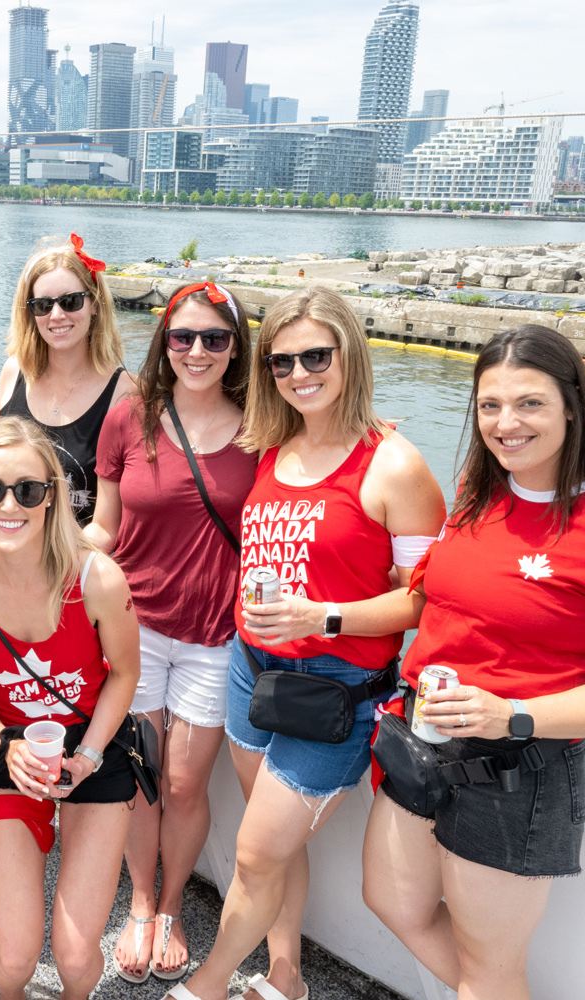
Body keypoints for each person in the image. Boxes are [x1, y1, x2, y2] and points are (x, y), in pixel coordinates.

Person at [362, 324, 585, 1000]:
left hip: (516, 769)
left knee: (489, 970)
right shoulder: (478, 498)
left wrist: (513, 713)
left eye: (530, 403)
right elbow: (434, 598)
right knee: (391, 900)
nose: (506, 424)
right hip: (422, 739)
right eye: (490, 405)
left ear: (572, 406)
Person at [171, 287, 446, 1000]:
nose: (299, 374)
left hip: (336, 691)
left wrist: (322, 618)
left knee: (255, 853)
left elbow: (422, 599)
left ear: (349, 354)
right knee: (274, 848)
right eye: (282, 361)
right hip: (252, 668)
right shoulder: (274, 446)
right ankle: (285, 973)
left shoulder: (393, 466)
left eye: (316, 356)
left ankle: (205, 985)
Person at [0, 416, 140, 1000]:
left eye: (27, 489)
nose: (9, 506)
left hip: (95, 744)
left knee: (75, 957)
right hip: (11, 747)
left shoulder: (97, 577)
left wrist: (90, 754)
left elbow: (125, 673)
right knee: (15, 959)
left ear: (51, 496)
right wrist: (4, 741)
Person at [84, 282, 256, 985]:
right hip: (135, 629)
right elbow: (104, 526)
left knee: (185, 784)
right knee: (142, 776)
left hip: (215, 635)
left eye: (214, 338)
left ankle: (173, 904)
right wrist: (33, 550)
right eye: (182, 337)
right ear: (164, 343)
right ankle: (140, 902)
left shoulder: (262, 426)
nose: (197, 351)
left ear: (236, 348)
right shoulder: (129, 418)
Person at [0, 234, 134, 526]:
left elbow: (112, 523)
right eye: (43, 305)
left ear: (94, 304)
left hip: (79, 553)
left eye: (70, 302)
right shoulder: (14, 372)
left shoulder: (125, 393)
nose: (56, 315)